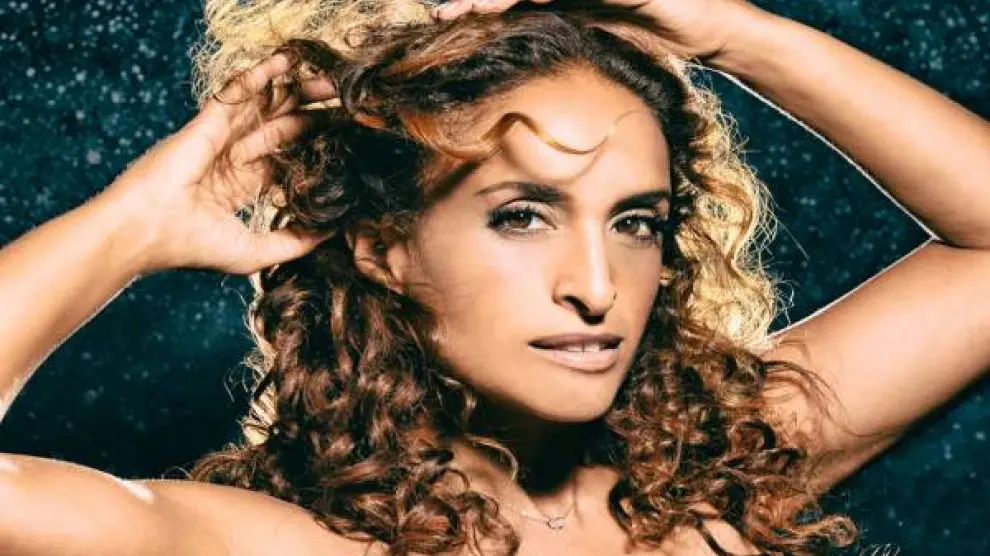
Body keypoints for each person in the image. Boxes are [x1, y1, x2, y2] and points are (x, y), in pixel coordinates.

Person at [0, 0, 987, 554]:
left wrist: (735, 34)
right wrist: (128, 225)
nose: (596, 284)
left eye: (636, 222)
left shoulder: (722, 471)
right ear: (383, 248)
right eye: (522, 216)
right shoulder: (287, 547)